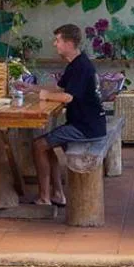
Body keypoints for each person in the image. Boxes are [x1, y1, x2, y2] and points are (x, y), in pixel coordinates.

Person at [30, 23, 106, 207]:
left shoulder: (81, 67)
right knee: (45, 145)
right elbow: (59, 88)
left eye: (58, 40)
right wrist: (31, 88)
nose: (55, 44)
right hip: (86, 123)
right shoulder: (76, 64)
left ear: (69, 43)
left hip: (87, 128)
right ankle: (56, 194)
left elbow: (67, 97)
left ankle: (45, 197)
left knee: (39, 145)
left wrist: (46, 96)